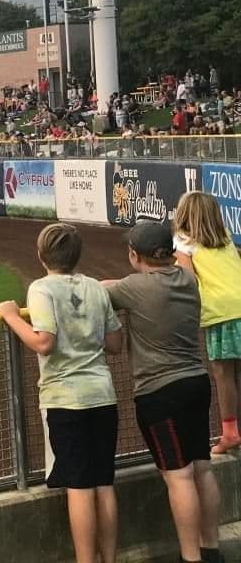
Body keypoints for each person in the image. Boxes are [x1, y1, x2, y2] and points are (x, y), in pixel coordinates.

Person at [0, 223, 123, 563]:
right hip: (102, 395)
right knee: (103, 483)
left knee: (79, 488)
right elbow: (115, 343)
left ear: (41, 256)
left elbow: (44, 342)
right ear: (77, 255)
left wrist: (11, 316)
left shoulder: (41, 288)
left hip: (66, 399)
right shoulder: (96, 287)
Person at [102, 223, 223, 563]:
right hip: (197, 384)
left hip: (159, 394)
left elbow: (101, 292)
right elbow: (183, 261)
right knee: (202, 468)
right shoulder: (188, 279)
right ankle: (210, 548)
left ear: (133, 255)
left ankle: (190, 557)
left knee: (179, 475)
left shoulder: (133, 287)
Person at [173, 192, 241, 454]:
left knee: (223, 374)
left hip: (220, 311)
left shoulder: (183, 241)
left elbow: (187, 280)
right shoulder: (224, 236)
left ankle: (231, 433)